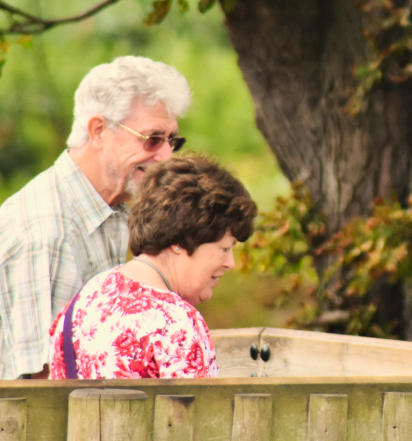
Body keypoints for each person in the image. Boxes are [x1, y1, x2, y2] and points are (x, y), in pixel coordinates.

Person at [0, 56, 191, 379]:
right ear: (99, 131)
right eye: (153, 139)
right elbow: (39, 388)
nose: (166, 156)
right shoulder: (50, 233)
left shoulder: (110, 207)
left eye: (173, 141)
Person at [48, 155, 256, 379]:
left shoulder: (86, 298)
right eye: (225, 248)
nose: (231, 263)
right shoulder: (175, 324)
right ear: (181, 240)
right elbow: (202, 413)